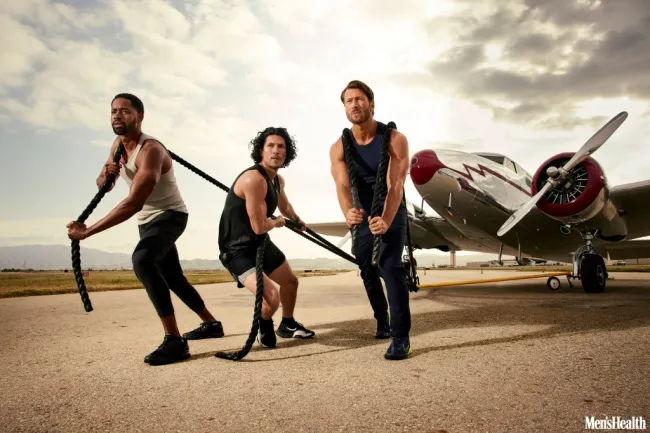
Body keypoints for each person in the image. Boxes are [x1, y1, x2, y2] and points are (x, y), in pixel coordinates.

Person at [67, 93, 224, 366]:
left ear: (140, 116)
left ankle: (174, 341)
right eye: (114, 111)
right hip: (148, 222)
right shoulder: (118, 144)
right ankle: (211, 324)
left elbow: (134, 203)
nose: (117, 115)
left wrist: (88, 231)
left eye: (124, 111)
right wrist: (107, 172)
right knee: (173, 278)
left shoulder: (151, 150)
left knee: (142, 260)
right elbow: (104, 184)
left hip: (170, 215)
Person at [329, 80, 412, 360]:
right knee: (366, 268)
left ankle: (401, 337)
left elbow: (396, 184)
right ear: (344, 107)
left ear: (371, 104)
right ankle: (382, 320)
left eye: (360, 99)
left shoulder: (394, 139)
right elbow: (341, 186)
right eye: (349, 100)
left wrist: (386, 219)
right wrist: (348, 212)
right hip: (362, 213)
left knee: (390, 267)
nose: (354, 104)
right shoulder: (339, 147)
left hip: (391, 207)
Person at [218, 126, 315, 349]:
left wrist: (297, 220)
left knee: (290, 282)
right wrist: (278, 222)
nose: (276, 151)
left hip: (259, 243)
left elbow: (284, 205)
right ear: (261, 151)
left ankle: (288, 325)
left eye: (281, 147)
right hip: (236, 250)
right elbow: (260, 226)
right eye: (270, 146)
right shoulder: (254, 180)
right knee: (271, 299)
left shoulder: (277, 180)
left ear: (287, 153)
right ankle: (265, 322)